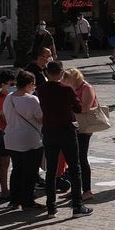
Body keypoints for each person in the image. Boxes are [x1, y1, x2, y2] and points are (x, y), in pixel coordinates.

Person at [37, 61, 92, 217]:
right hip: (66, 131)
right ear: (61, 73)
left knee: (51, 170)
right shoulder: (67, 89)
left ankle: (51, 207)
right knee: (75, 168)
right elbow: (78, 108)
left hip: (49, 131)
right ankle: (77, 206)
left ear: (47, 73)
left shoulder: (41, 89)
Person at [2, 70, 45, 211]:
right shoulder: (32, 99)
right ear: (30, 84)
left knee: (17, 169)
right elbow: (40, 118)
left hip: (11, 138)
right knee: (30, 171)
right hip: (29, 139)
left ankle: (14, 199)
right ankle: (27, 200)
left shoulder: (9, 97)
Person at [63, 68, 99, 200]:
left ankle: (87, 190)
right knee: (73, 158)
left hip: (84, 127)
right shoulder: (73, 87)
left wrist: (69, 107)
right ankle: (75, 189)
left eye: (67, 78)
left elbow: (85, 108)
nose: (64, 81)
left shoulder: (86, 88)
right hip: (74, 126)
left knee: (81, 157)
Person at [0, 69, 15, 200]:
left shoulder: (13, 97)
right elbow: (5, 117)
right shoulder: (0, 99)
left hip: (13, 132)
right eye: (10, 85)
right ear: (2, 85)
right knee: (5, 162)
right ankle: (5, 190)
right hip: (4, 133)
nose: (13, 87)